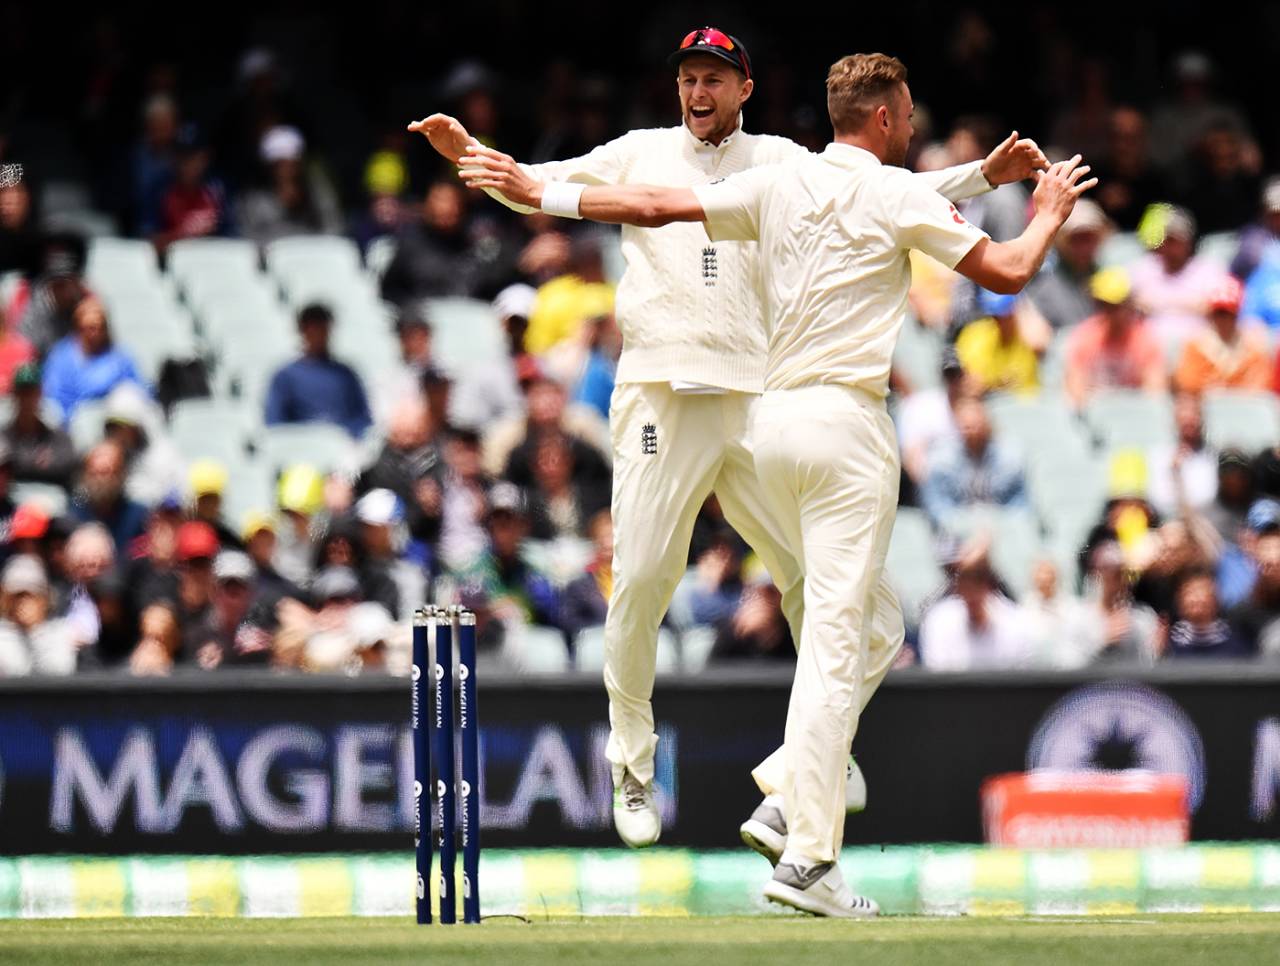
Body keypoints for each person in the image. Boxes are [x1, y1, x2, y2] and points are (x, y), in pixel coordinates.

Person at [456, 51, 1090, 916]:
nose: (698, 90)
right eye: (687, 76)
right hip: (709, 404)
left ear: (748, 89)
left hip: (764, 406)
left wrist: (979, 173)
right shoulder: (662, 152)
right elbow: (623, 199)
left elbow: (855, 189)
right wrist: (513, 184)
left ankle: (802, 777)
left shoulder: (784, 172)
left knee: (863, 618)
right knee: (671, 590)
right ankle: (695, 788)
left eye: (714, 76)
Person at [263, 302, 373, 439]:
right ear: (302, 331)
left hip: (343, 452)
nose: (318, 335)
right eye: (312, 329)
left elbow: (363, 419)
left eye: (323, 328)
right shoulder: (285, 376)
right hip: (301, 453)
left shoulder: (346, 375)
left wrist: (342, 437)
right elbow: (275, 424)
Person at [920, 396, 1028, 532]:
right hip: (957, 533)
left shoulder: (1009, 456)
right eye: (967, 427)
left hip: (1003, 530)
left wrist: (995, 531)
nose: (973, 433)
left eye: (977, 425)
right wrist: (969, 530)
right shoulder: (942, 459)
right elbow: (938, 509)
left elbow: (1020, 506)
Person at [1063, 268, 1167, 408]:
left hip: (1133, 414)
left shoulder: (1146, 339)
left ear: (1128, 304)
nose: (1109, 312)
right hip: (1094, 413)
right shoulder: (1084, 336)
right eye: (1103, 305)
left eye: (1115, 306)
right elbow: (1075, 390)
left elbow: (1155, 393)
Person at [42, 296, 146, 426]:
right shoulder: (60, 357)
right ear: (78, 327)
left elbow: (137, 388)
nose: (94, 333)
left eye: (100, 327)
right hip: (74, 420)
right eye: (89, 328)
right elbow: (53, 394)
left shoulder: (120, 356)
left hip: (112, 420)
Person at [1173, 275, 1271, 393]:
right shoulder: (1195, 347)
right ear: (1211, 314)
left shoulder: (1254, 350)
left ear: (1237, 315)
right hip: (1205, 410)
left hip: (1242, 409)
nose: (1224, 320)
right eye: (1219, 313)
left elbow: (1259, 387)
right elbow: (1188, 384)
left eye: (1229, 314)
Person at [4, 362, 76, 491]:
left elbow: (66, 465)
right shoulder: (4, 435)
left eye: (31, 392)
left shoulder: (57, 436)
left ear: (39, 394)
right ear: (13, 395)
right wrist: (37, 462)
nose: (26, 399)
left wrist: (17, 461)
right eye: (22, 392)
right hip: (12, 497)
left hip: (52, 497)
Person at [953, 289, 1040, 394]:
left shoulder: (1029, 334)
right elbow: (974, 383)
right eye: (995, 317)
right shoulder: (975, 336)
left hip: (1026, 400)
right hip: (993, 402)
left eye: (1006, 316)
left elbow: (1029, 388)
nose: (1000, 322)